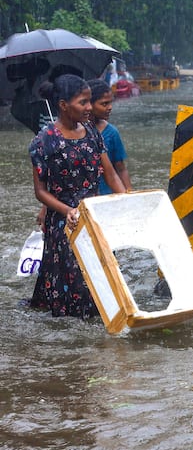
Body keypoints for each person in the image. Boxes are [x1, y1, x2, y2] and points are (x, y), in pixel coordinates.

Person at [29, 74, 126, 318]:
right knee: (72, 279)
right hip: (65, 220)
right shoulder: (44, 141)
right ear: (63, 106)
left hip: (94, 215)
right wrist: (67, 211)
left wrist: (126, 201)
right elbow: (40, 191)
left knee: (103, 274)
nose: (89, 108)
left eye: (89, 101)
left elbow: (111, 174)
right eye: (83, 102)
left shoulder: (93, 132)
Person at [87, 79, 132, 195]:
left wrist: (129, 194)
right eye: (104, 104)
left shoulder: (111, 133)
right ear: (88, 104)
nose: (110, 107)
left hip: (107, 195)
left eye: (110, 102)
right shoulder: (73, 133)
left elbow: (121, 168)